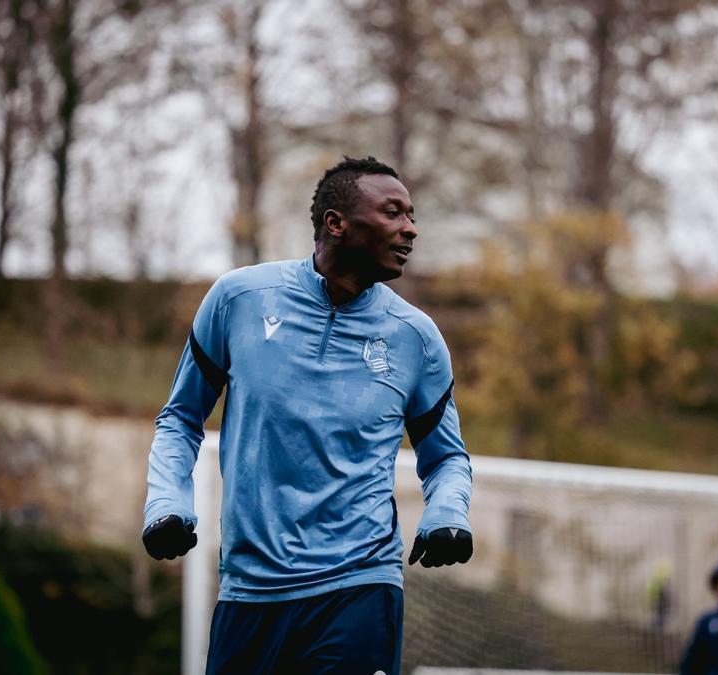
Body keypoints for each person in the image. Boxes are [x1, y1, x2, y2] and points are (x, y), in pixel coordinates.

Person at [141, 156, 473, 674]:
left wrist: (447, 513)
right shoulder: (238, 300)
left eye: (411, 215)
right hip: (249, 590)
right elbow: (181, 420)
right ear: (334, 223)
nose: (411, 229)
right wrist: (167, 503)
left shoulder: (416, 338)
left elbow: (447, 457)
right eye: (393, 213)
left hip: (359, 585)